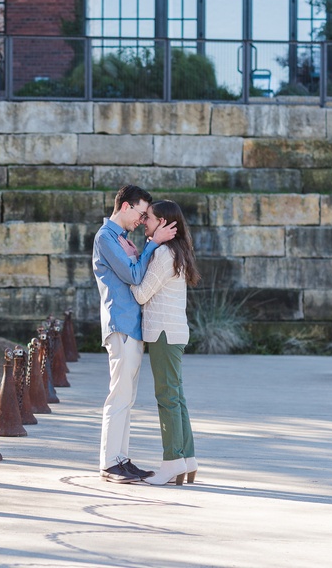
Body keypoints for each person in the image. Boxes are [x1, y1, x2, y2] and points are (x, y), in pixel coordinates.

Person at [92, 185, 177, 484]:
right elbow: (134, 276)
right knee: (119, 395)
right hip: (121, 326)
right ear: (125, 206)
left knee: (127, 397)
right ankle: (109, 463)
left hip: (133, 327)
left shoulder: (122, 240)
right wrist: (153, 244)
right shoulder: (105, 238)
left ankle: (120, 459)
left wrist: (146, 247)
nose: (143, 220)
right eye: (141, 213)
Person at [130, 200, 201, 486]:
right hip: (172, 334)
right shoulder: (177, 252)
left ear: (163, 223)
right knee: (176, 397)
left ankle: (172, 461)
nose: (144, 222)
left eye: (148, 218)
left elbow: (140, 294)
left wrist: (131, 269)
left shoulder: (162, 254)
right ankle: (187, 458)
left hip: (162, 334)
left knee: (167, 398)